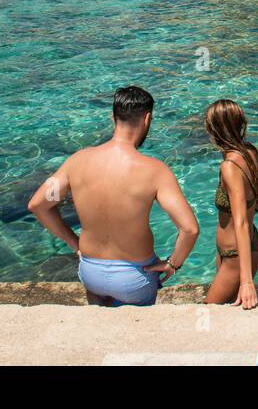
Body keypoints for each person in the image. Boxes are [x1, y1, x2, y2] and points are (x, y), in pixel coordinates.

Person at [28, 86, 200, 307]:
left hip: (91, 272)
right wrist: (172, 264)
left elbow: (38, 205)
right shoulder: (155, 171)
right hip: (134, 278)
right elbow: (189, 229)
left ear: (113, 118)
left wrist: (74, 243)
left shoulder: (77, 162)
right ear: (147, 119)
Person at [204, 99, 258, 309]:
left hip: (236, 256)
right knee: (228, 312)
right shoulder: (250, 152)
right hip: (233, 252)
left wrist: (247, 283)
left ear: (214, 130)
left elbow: (241, 222)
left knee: (210, 312)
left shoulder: (230, 166)